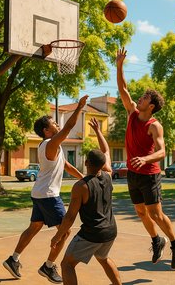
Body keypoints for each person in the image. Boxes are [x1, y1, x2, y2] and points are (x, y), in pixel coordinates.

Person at [3, 95, 89, 283]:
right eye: (53, 124)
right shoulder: (50, 144)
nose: (57, 125)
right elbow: (67, 128)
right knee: (65, 232)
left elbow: (66, 165)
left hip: (39, 194)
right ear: (46, 131)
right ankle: (48, 266)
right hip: (49, 195)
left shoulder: (52, 147)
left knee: (34, 227)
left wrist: (84, 178)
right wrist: (79, 108)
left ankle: (13, 259)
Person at [116, 47, 175, 270]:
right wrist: (119, 66)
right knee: (140, 212)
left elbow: (162, 151)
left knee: (156, 213)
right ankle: (157, 240)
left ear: (152, 105)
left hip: (149, 174)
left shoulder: (154, 125)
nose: (140, 98)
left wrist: (146, 159)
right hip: (133, 174)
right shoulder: (132, 113)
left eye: (145, 97)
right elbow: (123, 89)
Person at [51, 118, 121, 285]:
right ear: (103, 164)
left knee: (66, 264)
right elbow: (107, 151)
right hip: (111, 230)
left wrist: (57, 236)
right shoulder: (108, 175)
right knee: (103, 258)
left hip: (92, 234)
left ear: (87, 163)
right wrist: (98, 131)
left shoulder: (81, 186)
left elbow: (69, 217)